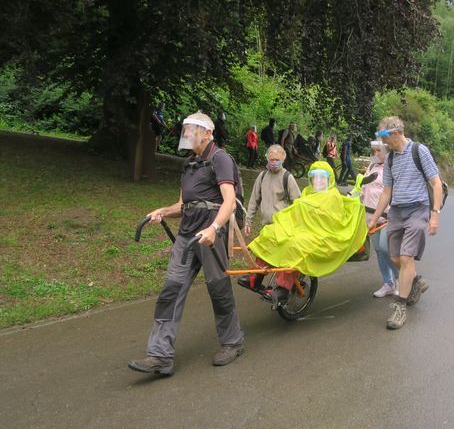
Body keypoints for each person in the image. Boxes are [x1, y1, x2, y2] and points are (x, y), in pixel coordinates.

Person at [128, 111, 245, 376]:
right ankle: (160, 356)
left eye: (193, 129)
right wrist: (163, 211)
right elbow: (183, 204)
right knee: (171, 291)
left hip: (211, 235)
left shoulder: (221, 159)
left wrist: (215, 228)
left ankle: (233, 342)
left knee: (218, 290)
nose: (188, 134)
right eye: (186, 130)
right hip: (187, 235)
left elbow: (228, 202)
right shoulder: (190, 163)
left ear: (208, 133)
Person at [249, 161, 367, 306]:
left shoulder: (332, 196)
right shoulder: (306, 192)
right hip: (299, 229)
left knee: (295, 246)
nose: (318, 181)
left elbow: (332, 222)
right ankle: (255, 276)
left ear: (329, 179)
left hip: (321, 235)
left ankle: (282, 290)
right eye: (314, 177)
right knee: (270, 233)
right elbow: (296, 213)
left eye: (322, 177)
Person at [368, 116, 443, 330]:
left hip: (418, 210)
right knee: (393, 256)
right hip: (397, 212)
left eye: (384, 139)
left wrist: (435, 214)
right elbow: (387, 191)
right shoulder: (391, 159)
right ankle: (416, 280)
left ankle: (400, 306)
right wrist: (374, 219)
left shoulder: (419, 151)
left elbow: (436, 184)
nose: (383, 145)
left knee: (405, 256)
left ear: (395, 133)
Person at [238, 144, 302, 291]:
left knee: (284, 258)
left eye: (277, 159)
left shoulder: (288, 177)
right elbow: (254, 200)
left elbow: (298, 203)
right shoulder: (262, 176)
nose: (274, 162)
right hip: (267, 226)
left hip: (283, 228)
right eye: (271, 159)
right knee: (263, 250)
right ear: (267, 158)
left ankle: (282, 289)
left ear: (283, 159)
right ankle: (255, 279)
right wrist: (248, 221)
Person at [361, 141, 398, 297]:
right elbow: (363, 188)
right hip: (370, 216)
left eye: (379, 151)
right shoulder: (370, 167)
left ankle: (403, 278)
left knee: (384, 248)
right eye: (374, 151)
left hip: (388, 216)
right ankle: (388, 283)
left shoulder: (393, 169)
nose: (375, 154)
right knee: (379, 251)